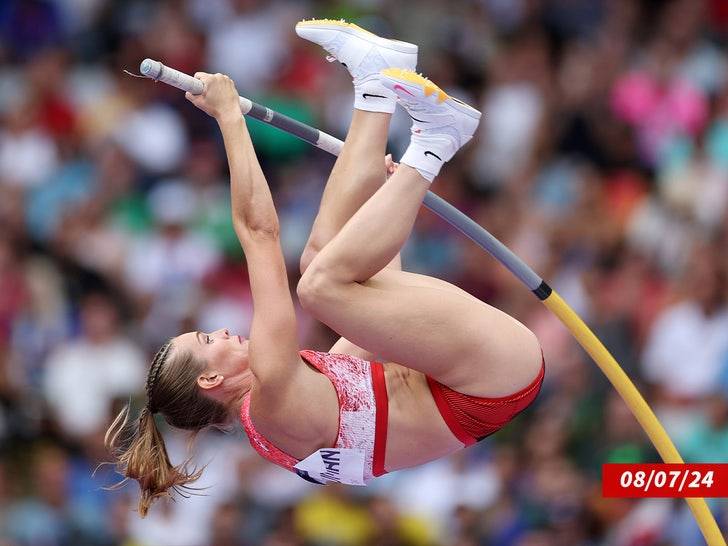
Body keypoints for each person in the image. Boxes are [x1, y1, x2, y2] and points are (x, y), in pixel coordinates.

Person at [106, 19, 545, 516]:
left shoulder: (284, 419)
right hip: (483, 381)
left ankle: (378, 85)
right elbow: (259, 234)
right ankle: (437, 142)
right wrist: (230, 117)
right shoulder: (270, 394)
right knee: (318, 287)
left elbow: (374, 321)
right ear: (210, 382)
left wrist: (381, 202)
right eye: (209, 342)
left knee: (323, 265)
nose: (224, 331)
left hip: (462, 374)